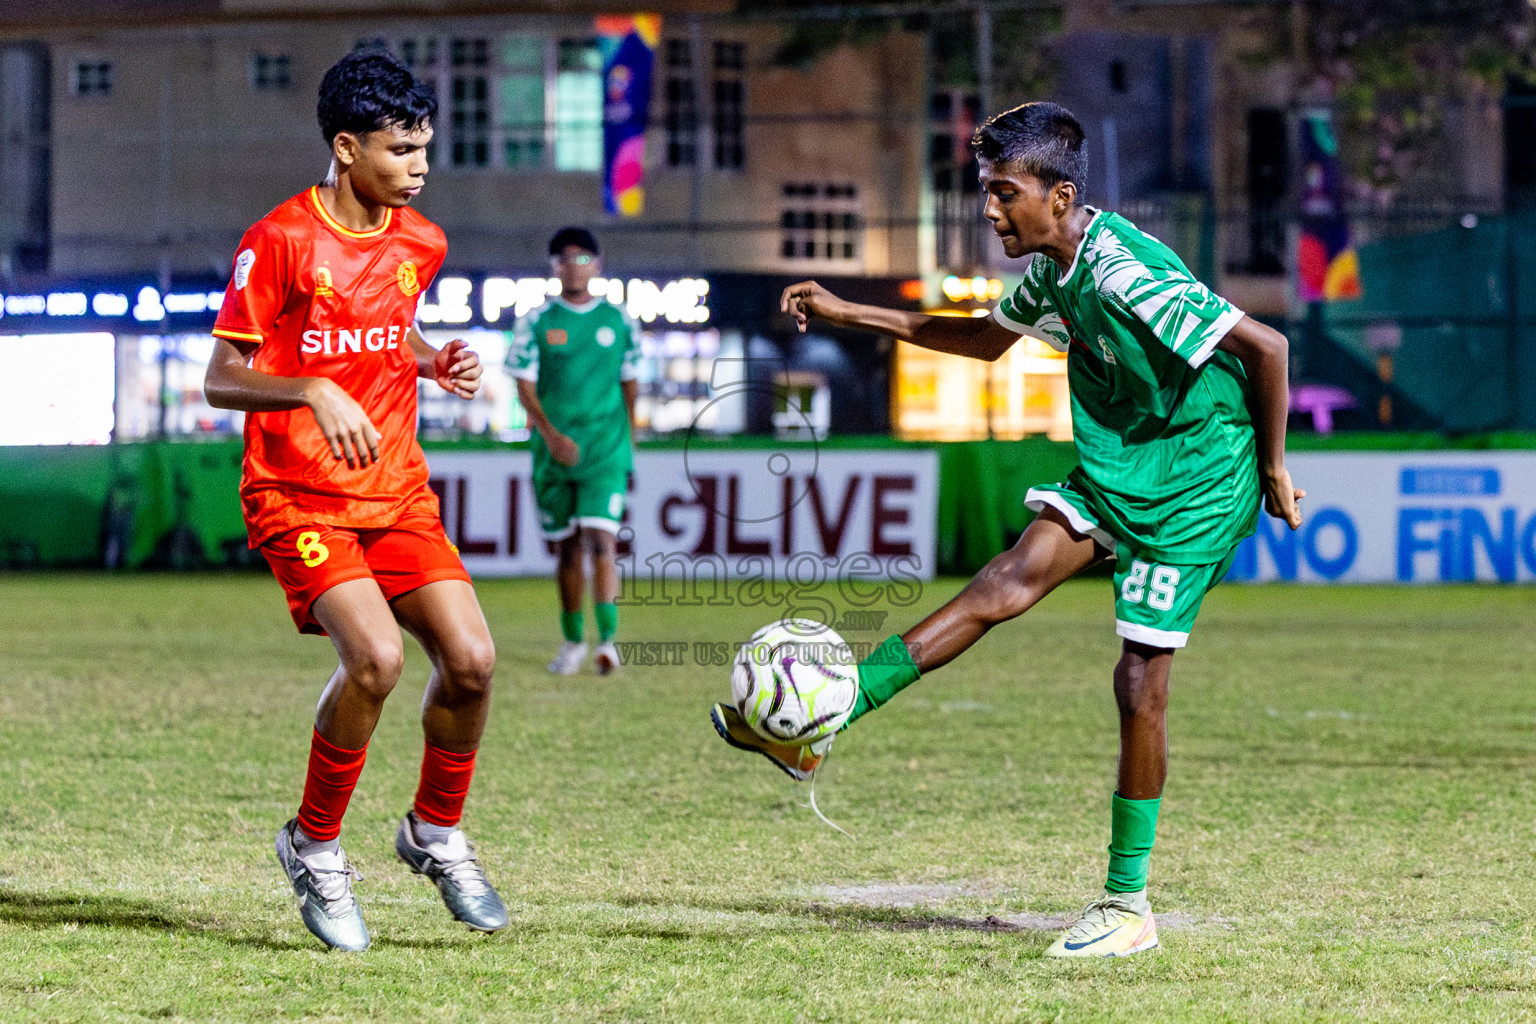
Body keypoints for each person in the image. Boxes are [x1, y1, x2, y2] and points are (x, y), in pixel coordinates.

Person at [710, 102, 1305, 958]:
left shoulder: (1124, 270)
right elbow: (983, 341)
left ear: (1059, 196)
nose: (989, 211)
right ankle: (829, 718)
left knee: (1139, 681)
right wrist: (849, 313)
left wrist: (1275, 471)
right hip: (1124, 460)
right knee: (1003, 582)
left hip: (1199, 480)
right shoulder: (1055, 274)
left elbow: (1268, 346)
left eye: (1003, 193)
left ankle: (1127, 906)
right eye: (985, 192)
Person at [204, 47, 506, 952]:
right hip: (298, 496)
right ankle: (314, 845)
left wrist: (432, 358)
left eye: (425, 148)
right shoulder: (280, 240)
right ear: (345, 148)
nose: (420, 166)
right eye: (400, 150)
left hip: (397, 491)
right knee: (374, 659)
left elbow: (385, 329)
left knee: (474, 659)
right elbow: (223, 376)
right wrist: (307, 391)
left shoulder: (423, 241)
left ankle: (433, 832)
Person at [505, 227, 640, 676]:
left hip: (604, 451)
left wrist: (629, 438)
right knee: (566, 551)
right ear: (553, 268)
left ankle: (608, 642)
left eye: (582, 258)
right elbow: (523, 385)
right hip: (553, 454)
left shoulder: (620, 321)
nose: (573, 265)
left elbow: (630, 380)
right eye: (564, 259)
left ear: (597, 265)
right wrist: (549, 433)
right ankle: (572, 641)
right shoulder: (537, 322)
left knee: (603, 541)